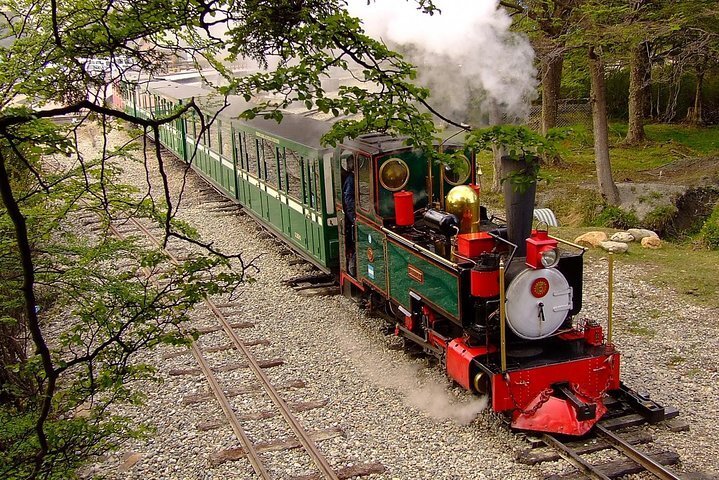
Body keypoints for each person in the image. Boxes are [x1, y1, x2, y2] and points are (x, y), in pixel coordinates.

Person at [342, 157, 356, 276]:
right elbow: (348, 200)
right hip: (352, 216)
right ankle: (352, 266)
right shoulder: (351, 179)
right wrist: (354, 218)